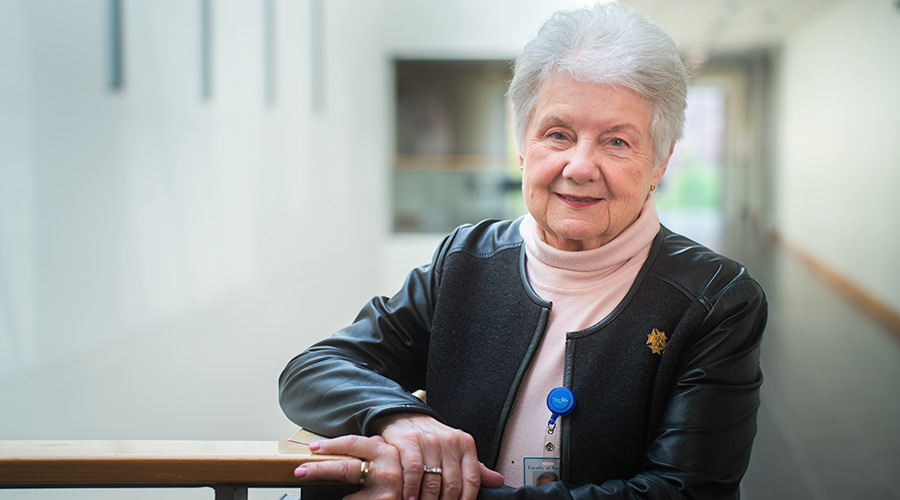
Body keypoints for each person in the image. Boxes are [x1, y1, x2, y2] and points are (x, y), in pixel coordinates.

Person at [279, 3, 767, 499]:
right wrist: (401, 419)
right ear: (522, 146)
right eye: (558, 134)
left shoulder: (716, 299)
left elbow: (684, 491)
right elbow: (314, 371)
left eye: (616, 142)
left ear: (660, 162)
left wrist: (429, 490)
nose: (579, 166)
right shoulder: (465, 261)